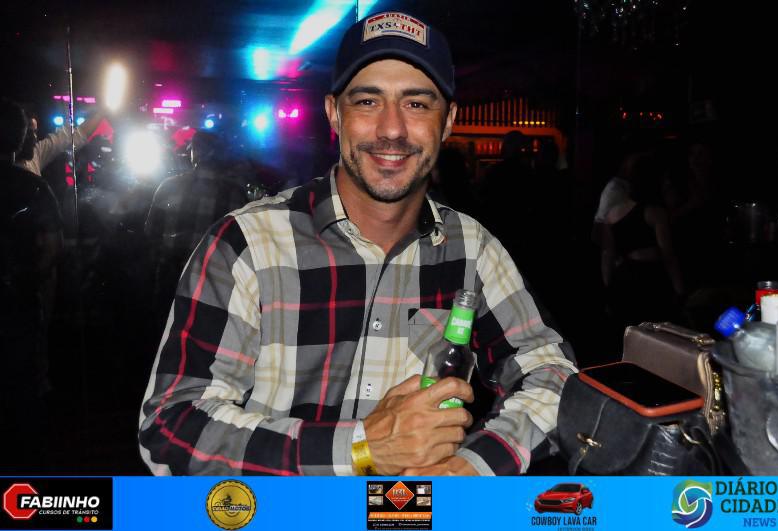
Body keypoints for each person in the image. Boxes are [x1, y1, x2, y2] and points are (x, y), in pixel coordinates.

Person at [138, 12, 576, 476]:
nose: (392, 129)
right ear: (334, 114)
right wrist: (361, 447)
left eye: (416, 104)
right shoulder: (247, 244)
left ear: (448, 122)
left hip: (411, 511)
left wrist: (471, 466)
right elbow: (171, 428)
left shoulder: (473, 249)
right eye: (367, 101)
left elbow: (555, 378)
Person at [0, 97, 63, 472]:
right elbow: (52, 250)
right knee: (22, 385)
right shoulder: (34, 188)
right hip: (19, 304)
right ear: (20, 136)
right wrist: (27, 283)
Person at [144, 130, 249, 317]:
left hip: (170, 279)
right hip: (213, 285)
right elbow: (241, 246)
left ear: (195, 152)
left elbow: (151, 232)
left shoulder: (169, 186)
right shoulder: (236, 194)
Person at [600, 151, 684, 328]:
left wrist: (607, 289)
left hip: (623, 279)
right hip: (650, 281)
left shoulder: (612, 214)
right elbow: (667, 253)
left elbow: (607, 254)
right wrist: (679, 289)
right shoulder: (655, 213)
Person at [16, 110, 105, 177]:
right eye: (28, 133)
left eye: (35, 132)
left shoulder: (35, 155)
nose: (34, 137)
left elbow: (72, 136)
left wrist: (102, 112)